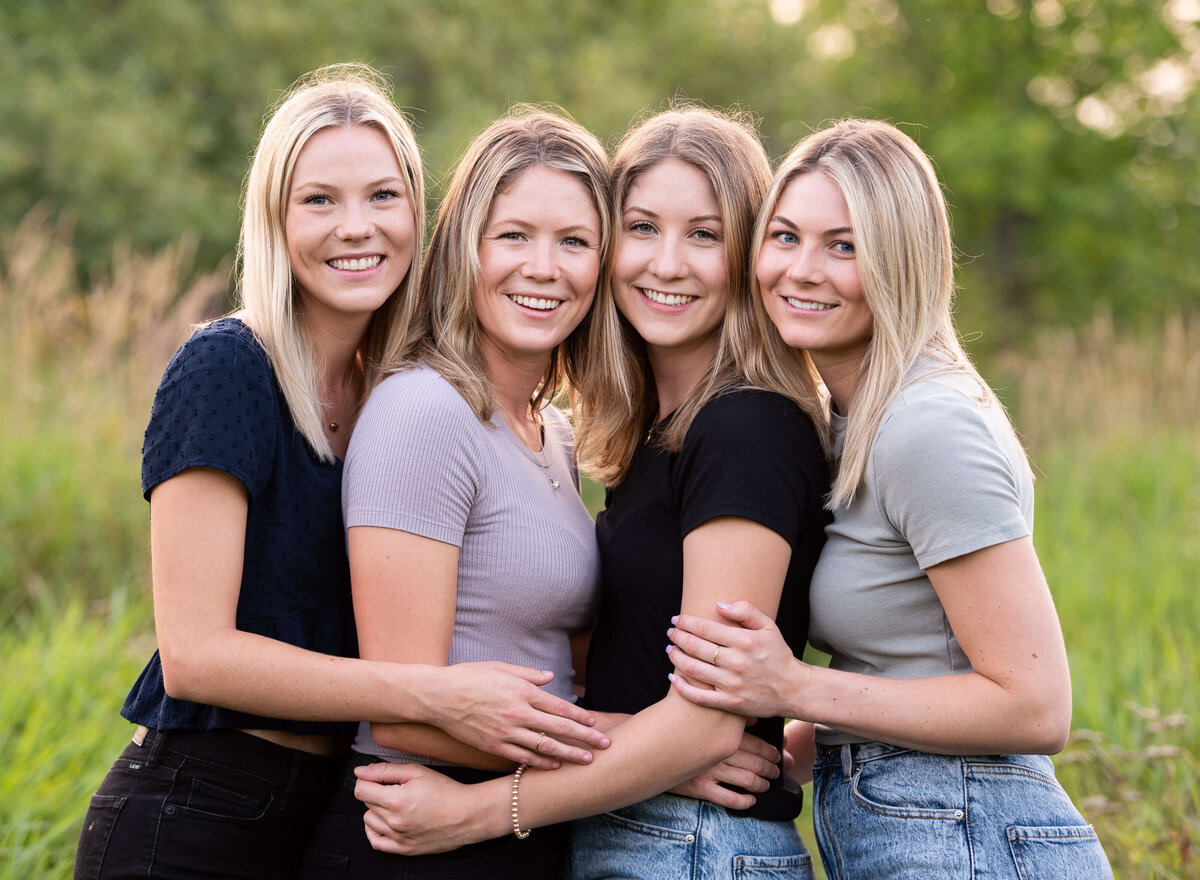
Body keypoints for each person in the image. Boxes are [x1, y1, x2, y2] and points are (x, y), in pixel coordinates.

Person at [74, 67, 606, 880]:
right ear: (275, 221)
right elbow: (195, 656)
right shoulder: (228, 368)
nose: (356, 227)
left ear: (418, 217)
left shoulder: (385, 392)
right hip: (194, 808)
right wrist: (431, 694)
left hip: (321, 804)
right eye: (319, 200)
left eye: (383, 197)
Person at [349, 107, 831, 880]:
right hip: (624, 831)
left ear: (748, 256)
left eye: (704, 235)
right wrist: (657, 750)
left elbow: (707, 721)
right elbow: (418, 698)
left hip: (688, 847)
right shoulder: (635, 437)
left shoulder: (744, 426)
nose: (666, 263)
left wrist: (489, 808)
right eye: (641, 228)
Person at [665, 118, 1115, 878]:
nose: (802, 270)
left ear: (901, 260)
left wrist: (795, 685)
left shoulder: (926, 425)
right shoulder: (855, 418)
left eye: (844, 246)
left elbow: (1035, 705)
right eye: (785, 237)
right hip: (922, 822)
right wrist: (751, 752)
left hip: (969, 832)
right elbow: (903, 675)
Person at [295, 107, 613, 879]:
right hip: (415, 839)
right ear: (464, 249)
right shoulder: (424, 410)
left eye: (574, 242)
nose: (544, 267)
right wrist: (656, 754)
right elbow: (407, 711)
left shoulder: (554, 436)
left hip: (512, 828)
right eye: (513, 237)